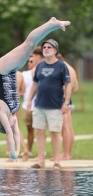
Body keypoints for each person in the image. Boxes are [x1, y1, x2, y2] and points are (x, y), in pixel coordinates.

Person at [0, 17, 71, 161]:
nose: (15, 126)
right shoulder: (12, 116)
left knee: (28, 44)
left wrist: (11, 152)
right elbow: (16, 134)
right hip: (12, 70)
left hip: (3, 69)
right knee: (31, 46)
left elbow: (11, 135)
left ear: (5, 124)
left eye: (11, 126)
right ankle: (52, 24)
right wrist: (16, 152)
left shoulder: (2, 111)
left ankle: (52, 23)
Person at [27, 39, 72, 169]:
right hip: (39, 105)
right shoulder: (40, 66)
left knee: (55, 132)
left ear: (55, 50)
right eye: (44, 47)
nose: (46, 48)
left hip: (55, 106)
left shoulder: (61, 66)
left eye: (49, 47)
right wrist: (29, 100)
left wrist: (66, 102)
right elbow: (35, 83)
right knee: (39, 132)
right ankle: (41, 161)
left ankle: (56, 161)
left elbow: (68, 85)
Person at [56, 53, 78, 160]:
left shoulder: (63, 68)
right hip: (69, 99)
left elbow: (65, 86)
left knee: (64, 128)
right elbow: (76, 87)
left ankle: (66, 154)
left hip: (63, 99)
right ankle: (67, 153)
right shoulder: (71, 69)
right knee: (69, 127)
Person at [22, 56, 37, 156]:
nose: (29, 63)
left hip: (39, 105)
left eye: (31, 61)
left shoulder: (41, 73)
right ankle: (29, 150)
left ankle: (42, 151)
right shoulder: (24, 74)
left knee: (41, 129)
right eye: (28, 61)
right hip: (27, 105)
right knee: (29, 129)